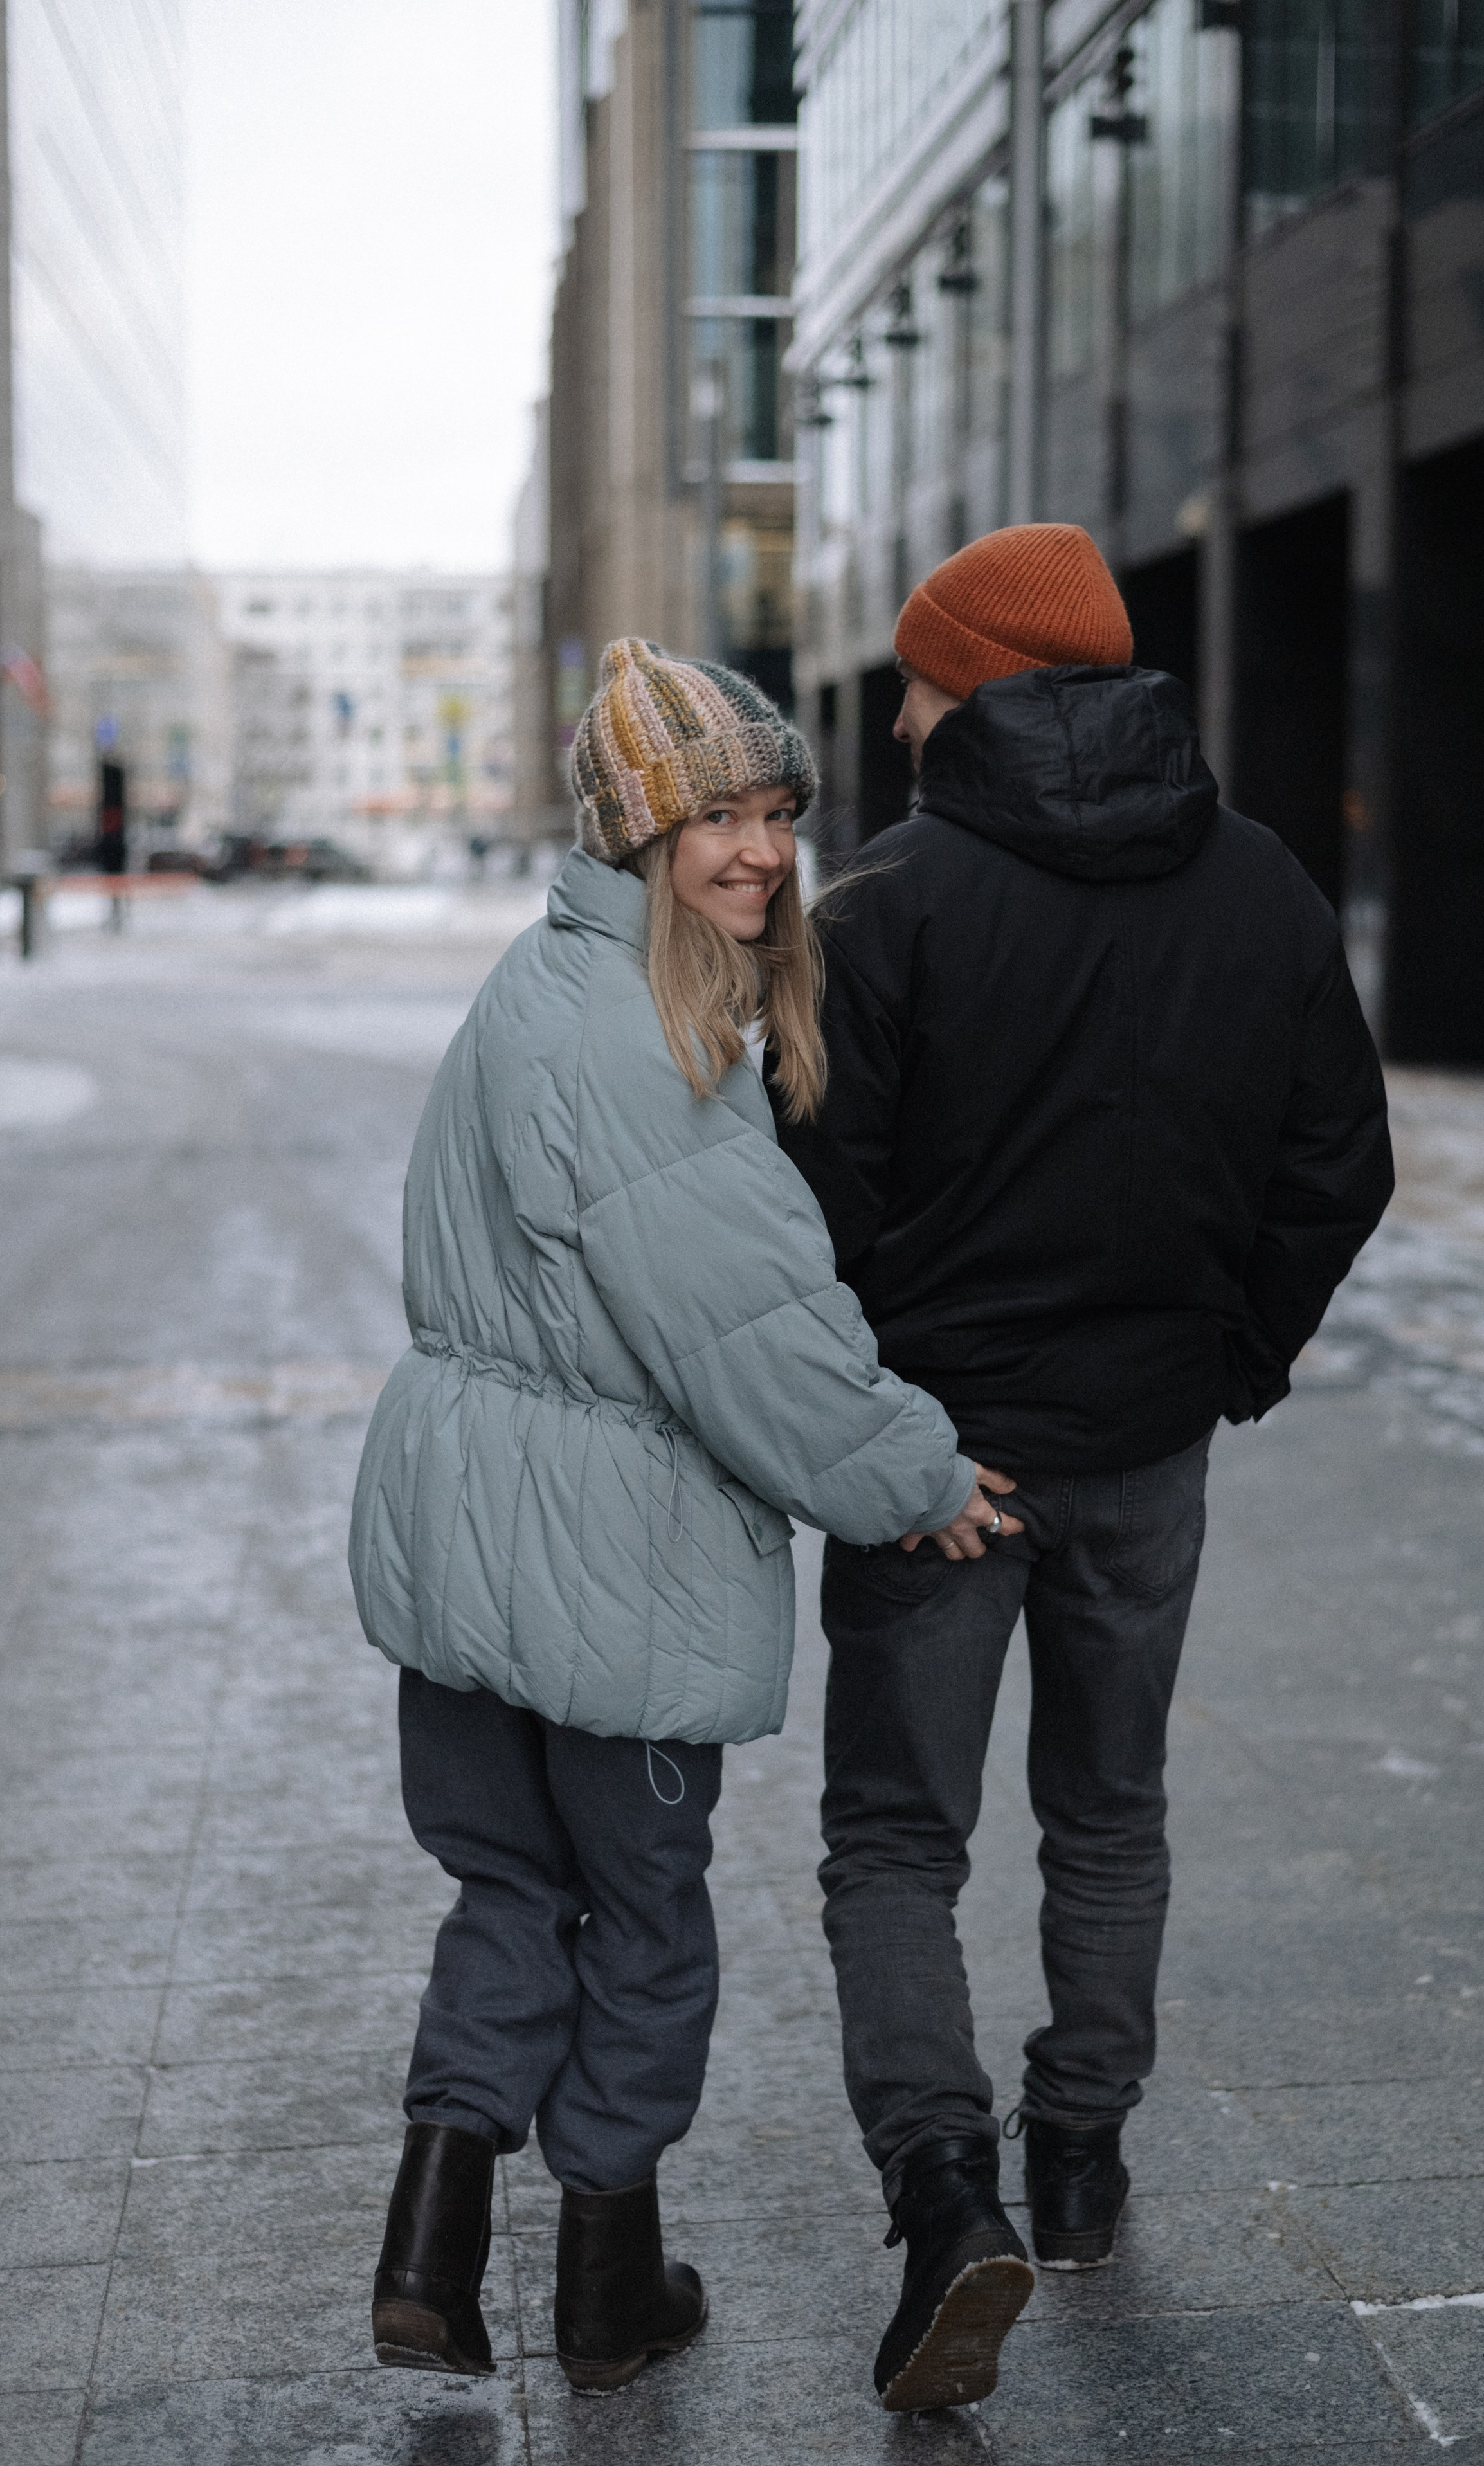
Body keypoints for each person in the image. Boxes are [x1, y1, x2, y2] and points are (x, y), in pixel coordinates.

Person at [348, 638, 1018, 2398]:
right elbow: (755, 1340)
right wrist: (920, 1475)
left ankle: (427, 2249)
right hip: (614, 1563)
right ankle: (604, 2285)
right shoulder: (649, 1040)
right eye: (714, 813)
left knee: (507, 1885)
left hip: (471, 1542)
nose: (758, 849)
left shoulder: (532, 984)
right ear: (636, 830)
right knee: (641, 1917)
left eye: (777, 810)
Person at [774, 523, 1395, 2406]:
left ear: (977, 682)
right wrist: (1232, 1355)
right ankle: (1084, 2157)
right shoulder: (1265, 883)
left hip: (937, 1466)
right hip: (1145, 1449)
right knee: (1109, 1810)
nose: (895, 708)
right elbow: (1339, 1159)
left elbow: (814, 1210)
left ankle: (948, 2196)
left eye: (916, 673)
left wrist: (881, 1409)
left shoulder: (884, 906)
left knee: (897, 1833)